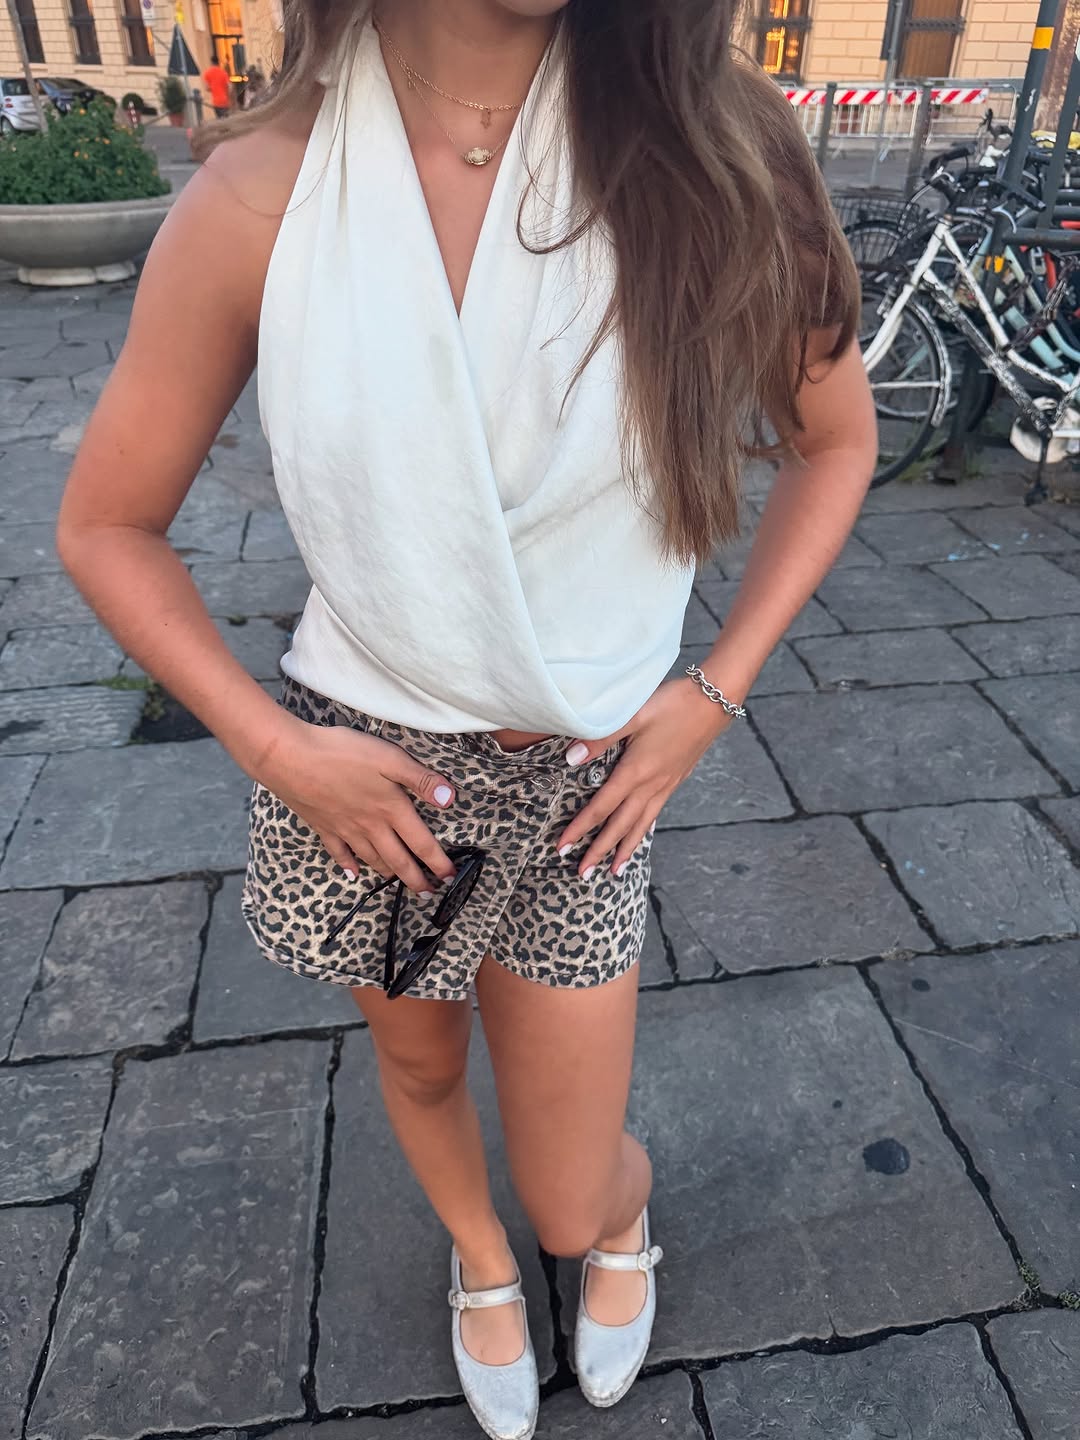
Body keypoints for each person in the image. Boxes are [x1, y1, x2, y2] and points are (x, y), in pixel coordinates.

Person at [56, 2, 876, 1436]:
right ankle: (479, 1256)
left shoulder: (711, 151)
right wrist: (274, 748)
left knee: (572, 1187)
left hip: (587, 785)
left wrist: (713, 693)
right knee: (420, 1058)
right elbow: (106, 522)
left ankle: (594, 1223)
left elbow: (837, 437)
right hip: (369, 775)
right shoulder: (265, 190)